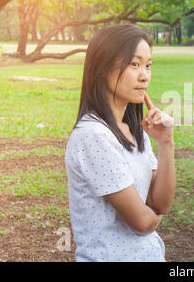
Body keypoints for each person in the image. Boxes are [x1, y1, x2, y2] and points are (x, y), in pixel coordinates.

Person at [64, 24, 176, 262]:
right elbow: (143, 222)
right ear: (104, 68)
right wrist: (154, 216)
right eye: (134, 64)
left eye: (148, 65)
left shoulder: (135, 132)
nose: (144, 75)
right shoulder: (94, 136)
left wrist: (166, 145)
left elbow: (161, 203)